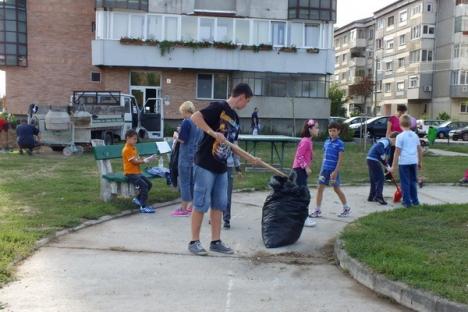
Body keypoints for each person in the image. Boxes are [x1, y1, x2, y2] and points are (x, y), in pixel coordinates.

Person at [188, 83, 253, 256]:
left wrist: (250, 158)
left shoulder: (236, 119)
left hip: (222, 167)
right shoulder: (218, 107)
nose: (245, 105)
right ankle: (194, 241)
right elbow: (195, 117)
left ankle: (215, 241)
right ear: (241, 97)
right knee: (201, 203)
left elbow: (233, 144)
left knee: (219, 204)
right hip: (205, 164)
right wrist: (212, 132)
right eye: (246, 101)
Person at [305, 122, 350, 226]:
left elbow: (340, 159)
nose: (332, 133)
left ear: (338, 131)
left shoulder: (340, 143)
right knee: (320, 188)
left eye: (334, 130)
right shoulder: (326, 142)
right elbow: (325, 156)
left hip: (333, 171)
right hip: (324, 170)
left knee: (336, 189)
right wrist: (321, 169)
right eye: (330, 131)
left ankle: (346, 208)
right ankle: (317, 210)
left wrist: (335, 171)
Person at [171, 101, 202, 217]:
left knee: (184, 182)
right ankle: (191, 206)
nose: (182, 114)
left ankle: (183, 208)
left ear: (185, 111)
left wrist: (175, 136)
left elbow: (182, 139)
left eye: (182, 112)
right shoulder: (197, 122)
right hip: (194, 155)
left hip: (185, 155)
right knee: (191, 182)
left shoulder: (186, 122)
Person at [389, 115, 423, 208]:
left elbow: (397, 151)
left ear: (400, 124)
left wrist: (393, 165)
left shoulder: (400, 136)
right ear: (410, 124)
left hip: (404, 162)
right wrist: (420, 162)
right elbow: (419, 149)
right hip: (413, 161)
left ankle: (407, 202)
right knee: (413, 181)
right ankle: (415, 201)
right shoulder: (415, 135)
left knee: (405, 182)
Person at [122, 129, 155, 213]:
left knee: (149, 184)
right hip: (130, 173)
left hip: (137, 172)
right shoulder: (127, 149)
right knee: (144, 186)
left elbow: (138, 158)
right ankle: (143, 206)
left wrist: (148, 158)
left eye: (136, 139)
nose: (135, 141)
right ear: (127, 138)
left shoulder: (133, 148)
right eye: (134, 139)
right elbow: (134, 162)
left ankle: (137, 199)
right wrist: (145, 161)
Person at [366, 132, 398, 205]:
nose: (396, 144)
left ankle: (372, 196)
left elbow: (382, 158)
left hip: (370, 159)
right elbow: (379, 149)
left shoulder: (387, 144)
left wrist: (388, 167)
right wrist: (386, 164)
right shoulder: (386, 141)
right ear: (394, 139)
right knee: (381, 178)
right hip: (373, 160)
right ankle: (379, 197)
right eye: (397, 141)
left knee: (373, 179)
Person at [292, 119, 320, 188]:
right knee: (301, 192)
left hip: (302, 170)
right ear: (310, 129)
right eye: (316, 128)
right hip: (299, 170)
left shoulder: (309, 141)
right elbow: (299, 156)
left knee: (301, 192)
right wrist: (306, 167)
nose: (318, 130)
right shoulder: (305, 141)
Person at [223, 143, 242, 229]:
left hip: (228, 167)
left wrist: (238, 169)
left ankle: (226, 219)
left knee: (227, 195)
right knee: (214, 193)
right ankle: (214, 215)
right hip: (214, 165)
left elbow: (235, 151)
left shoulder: (232, 132)